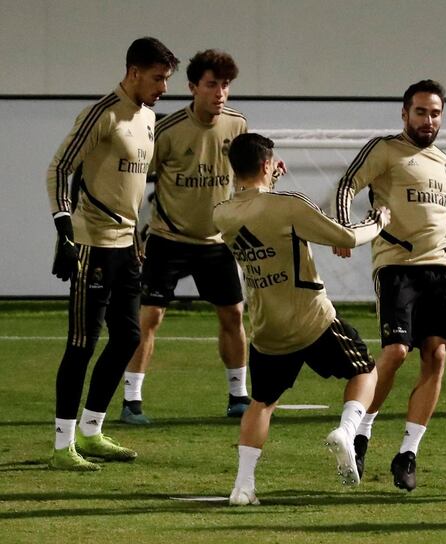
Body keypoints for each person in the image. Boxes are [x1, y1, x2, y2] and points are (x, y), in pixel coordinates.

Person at [214, 133, 390, 505]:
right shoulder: (289, 205)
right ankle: (346, 430)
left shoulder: (223, 214)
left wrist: (266, 180)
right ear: (267, 164)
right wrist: (377, 221)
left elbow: (256, 208)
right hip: (312, 320)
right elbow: (343, 236)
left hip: (266, 330)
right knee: (366, 371)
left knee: (262, 403)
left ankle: (243, 486)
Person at [333, 79, 446, 491]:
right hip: (396, 267)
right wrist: (346, 229)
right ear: (405, 113)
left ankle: (408, 453)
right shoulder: (384, 149)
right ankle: (360, 434)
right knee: (396, 351)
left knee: (436, 355)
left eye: (435, 113)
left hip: (440, 268)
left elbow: (435, 223)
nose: (428, 119)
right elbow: (347, 185)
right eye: (420, 112)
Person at [46, 37, 179, 470]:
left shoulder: (148, 117)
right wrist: (64, 231)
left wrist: (138, 239)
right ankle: (62, 445)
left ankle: (92, 430)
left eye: (166, 79)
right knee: (82, 343)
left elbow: (131, 188)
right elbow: (60, 168)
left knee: (128, 337)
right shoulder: (102, 113)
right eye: (158, 78)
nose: (163, 87)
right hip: (91, 244)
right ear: (134, 72)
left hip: (126, 246)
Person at [119, 49, 254, 425]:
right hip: (168, 240)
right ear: (193, 87)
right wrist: (132, 231)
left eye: (225, 86)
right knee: (149, 318)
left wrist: (269, 172)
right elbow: (136, 178)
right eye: (212, 85)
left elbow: (246, 177)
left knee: (233, 315)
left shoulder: (238, 125)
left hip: (217, 242)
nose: (220, 93)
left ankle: (238, 396)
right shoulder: (167, 130)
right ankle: (131, 401)